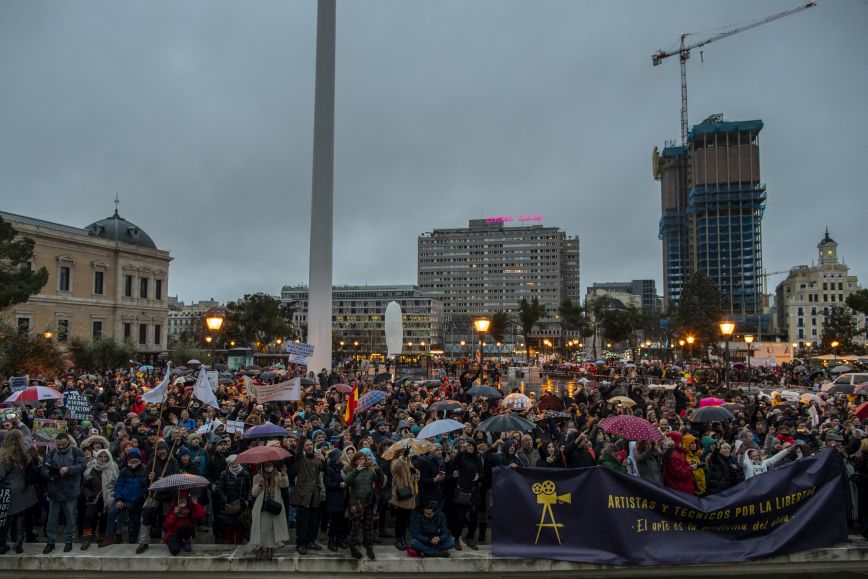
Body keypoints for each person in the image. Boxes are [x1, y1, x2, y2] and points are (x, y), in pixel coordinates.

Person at [40, 432, 85, 554]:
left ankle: (68, 541)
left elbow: (82, 466)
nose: (60, 447)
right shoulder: (52, 452)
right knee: (52, 519)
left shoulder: (76, 452)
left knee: (70, 518)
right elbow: (44, 468)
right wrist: (49, 475)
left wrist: (69, 469)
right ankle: (50, 542)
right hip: (54, 491)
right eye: (58, 444)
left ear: (68, 442)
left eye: (63, 444)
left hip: (70, 491)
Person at [0, 430, 38, 554]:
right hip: (23, 489)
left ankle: (2, 544)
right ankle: (19, 543)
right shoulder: (26, 454)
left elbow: (1, 475)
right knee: (20, 516)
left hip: (8, 490)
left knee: (6, 517)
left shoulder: (3, 455)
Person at [344, 449, 384, 560]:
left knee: (368, 526)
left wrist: (378, 469)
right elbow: (347, 481)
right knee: (355, 526)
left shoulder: (370, 470)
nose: (362, 460)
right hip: (356, 502)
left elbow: (380, 480)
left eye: (363, 459)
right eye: (359, 459)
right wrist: (356, 470)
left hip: (369, 501)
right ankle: (352, 546)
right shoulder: (350, 469)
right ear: (355, 461)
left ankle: (369, 546)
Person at [290, 434, 326, 554]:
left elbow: (324, 469)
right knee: (302, 521)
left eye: (311, 445)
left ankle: (311, 541)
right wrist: (303, 436)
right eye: (307, 445)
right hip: (303, 495)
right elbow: (298, 450)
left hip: (315, 495)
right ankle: (301, 543)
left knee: (314, 521)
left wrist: (324, 460)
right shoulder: (301, 458)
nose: (310, 447)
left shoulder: (316, 459)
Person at [105, 448, 146, 546]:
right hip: (123, 499)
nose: (134, 460)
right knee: (111, 513)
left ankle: (133, 537)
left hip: (137, 500)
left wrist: (139, 498)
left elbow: (145, 487)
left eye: (136, 458)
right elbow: (119, 485)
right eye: (131, 458)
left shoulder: (144, 469)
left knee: (135, 520)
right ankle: (110, 535)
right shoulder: (123, 470)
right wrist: (119, 499)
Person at [250, 461, 289, 560]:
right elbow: (254, 493)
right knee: (260, 528)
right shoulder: (257, 476)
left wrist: (284, 475)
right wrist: (259, 485)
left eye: (270, 464)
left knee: (272, 528)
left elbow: (284, 485)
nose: (268, 466)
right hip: (261, 506)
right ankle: (259, 548)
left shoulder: (278, 475)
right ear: (263, 465)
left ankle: (270, 549)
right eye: (266, 465)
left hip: (273, 505)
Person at [80, 448, 118, 549]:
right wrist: (89, 495)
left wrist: (113, 495)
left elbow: (116, 483)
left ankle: (101, 535)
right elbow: (84, 485)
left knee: (104, 516)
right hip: (94, 497)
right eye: (101, 456)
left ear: (109, 457)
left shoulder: (113, 467)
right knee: (88, 515)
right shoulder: (92, 469)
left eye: (105, 457)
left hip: (108, 496)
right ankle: (86, 538)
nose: (103, 459)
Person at [215, 454, 252, 545]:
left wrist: (248, 500)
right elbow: (220, 488)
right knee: (229, 525)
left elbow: (249, 489)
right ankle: (229, 543)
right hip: (229, 504)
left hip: (242, 503)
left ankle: (239, 542)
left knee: (241, 524)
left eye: (236, 461)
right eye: (232, 462)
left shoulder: (245, 473)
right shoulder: (224, 474)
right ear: (228, 464)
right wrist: (225, 500)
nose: (234, 464)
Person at [389, 447, 419, 551]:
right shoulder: (395, 461)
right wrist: (403, 457)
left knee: (405, 519)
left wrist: (414, 472)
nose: (404, 453)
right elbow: (396, 468)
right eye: (401, 451)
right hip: (400, 493)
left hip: (409, 494)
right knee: (399, 519)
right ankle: (398, 539)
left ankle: (403, 538)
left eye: (405, 451)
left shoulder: (408, 461)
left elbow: (414, 476)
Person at [163, 491, 206, 555]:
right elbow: (168, 525)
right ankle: (178, 543)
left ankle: (186, 542)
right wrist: (174, 513)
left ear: (187, 500)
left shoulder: (190, 509)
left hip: (185, 534)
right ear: (177, 500)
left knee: (185, 525)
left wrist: (196, 504)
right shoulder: (172, 509)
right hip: (173, 534)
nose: (182, 500)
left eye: (184, 498)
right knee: (174, 551)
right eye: (180, 498)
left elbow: (201, 515)